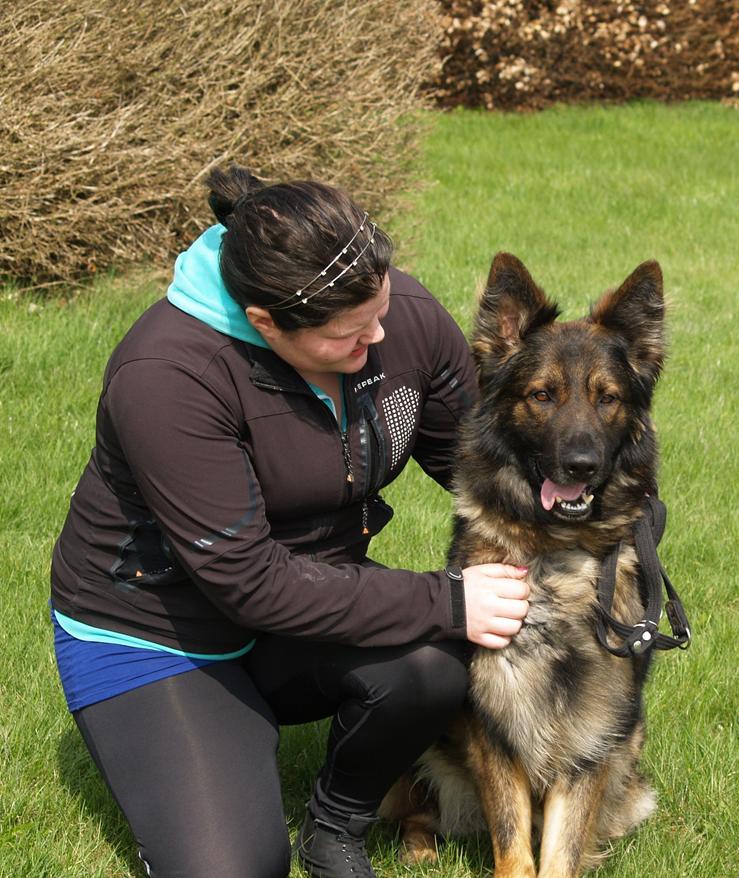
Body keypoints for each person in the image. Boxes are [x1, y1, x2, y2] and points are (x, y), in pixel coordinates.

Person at [49, 166, 530, 878]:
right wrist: (449, 600)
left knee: (433, 664)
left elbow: (484, 462)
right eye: (349, 333)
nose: (381, 334)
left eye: (382, 307)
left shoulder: (396, 319)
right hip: (159, 633)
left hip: (307, 599)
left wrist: (614, 509)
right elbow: (248, 582)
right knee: (231, 869)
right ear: (265, 323)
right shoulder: (169, 375)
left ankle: (336, 826)